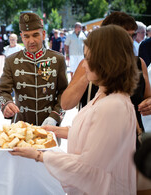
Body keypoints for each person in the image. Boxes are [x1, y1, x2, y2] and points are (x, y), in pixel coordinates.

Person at [11, 25, 139, 195]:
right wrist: (52, 130)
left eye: (87, 57)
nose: (83, 65)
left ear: (106, 61)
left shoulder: (113, 106)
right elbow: (94, 136)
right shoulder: (104, 93)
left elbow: (88, 167)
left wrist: (38, 155)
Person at [61, 12, 151, 149]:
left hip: (130, 143)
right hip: (95, 143)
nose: (129, 41)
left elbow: (147, 97)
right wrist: (93, 68)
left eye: (132, 35)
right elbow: (66, 103)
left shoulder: (139, 63)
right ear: (106, 37)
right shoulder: (88, 65)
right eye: (123, 36)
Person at [0, 12, 68, 126]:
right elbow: (2, 91)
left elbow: (64, 92)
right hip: (20, 125)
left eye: (35, 35)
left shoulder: (57, 59)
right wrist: (6, 104)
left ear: (43, 34)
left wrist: (55, 116)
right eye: (26, 36)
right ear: (21, 37)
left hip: (49, 124)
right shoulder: (11, 61)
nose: (31, 41)